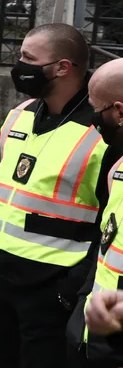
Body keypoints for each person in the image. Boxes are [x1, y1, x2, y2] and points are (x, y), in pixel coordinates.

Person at [0, 24, 114, 368]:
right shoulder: (19, 114)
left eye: (28, 58)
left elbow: (111, 224)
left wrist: (71, 290)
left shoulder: (102, 133)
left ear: (62, 67)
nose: (19, 65)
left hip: (51, 288)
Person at [69, 58, 123, 367]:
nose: (93, 120)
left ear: (119, 112)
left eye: (96, 109)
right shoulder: (118, 167)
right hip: (98, 335)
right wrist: (82, 304)